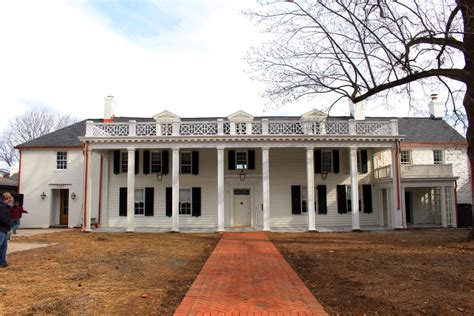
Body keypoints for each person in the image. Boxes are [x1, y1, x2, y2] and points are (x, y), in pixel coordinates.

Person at [0, 192, 13, 268]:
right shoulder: (2, 206)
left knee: (4, 247)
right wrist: (9, 225)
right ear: (7, 198)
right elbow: (2, 218)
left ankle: (2, 262)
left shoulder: (5, 206)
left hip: (4, 229)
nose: (11, 200)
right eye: (10, 198)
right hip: (1, 229)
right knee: (1, 246)